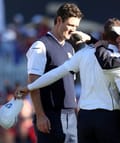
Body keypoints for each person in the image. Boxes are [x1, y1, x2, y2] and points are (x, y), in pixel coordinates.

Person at [15, 18, 120, 143]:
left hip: (84, 118)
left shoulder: (83, 54)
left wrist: (31, 86)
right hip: (108, 118)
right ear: (117, 37)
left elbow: (55, 73)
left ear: (103, 34)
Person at [23, 3, 83, 143]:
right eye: (70, 25)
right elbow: (33, 83)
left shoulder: (70, 48)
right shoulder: (40, 46)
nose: (73, 30)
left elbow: (70, 85)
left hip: (70, 117)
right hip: (50, 117)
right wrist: (40, 115)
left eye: (76, 27)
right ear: (59, 20)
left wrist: (75, 111)